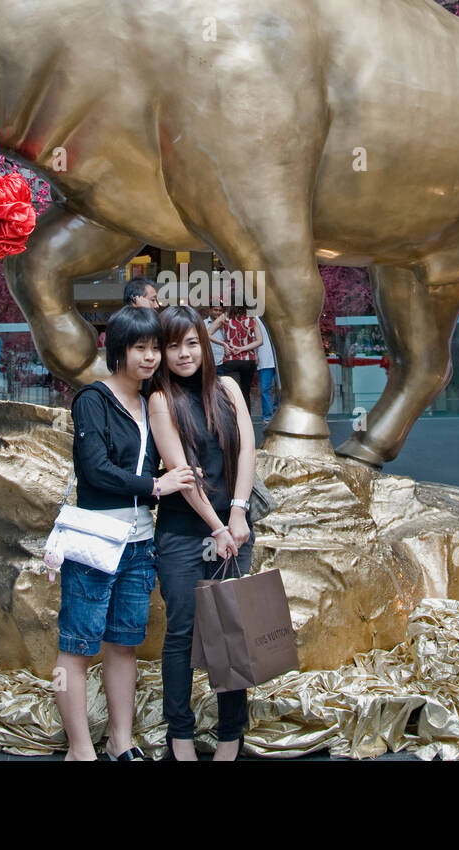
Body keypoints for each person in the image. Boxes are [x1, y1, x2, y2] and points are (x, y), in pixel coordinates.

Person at [55, 305, 196, 761]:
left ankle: (121, 742)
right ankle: (80, 749)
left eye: (156, 348)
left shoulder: (152, 400)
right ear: (118, 349)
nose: (151, 357)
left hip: (139, 543)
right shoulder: (93, 399)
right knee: (77, 648)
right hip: (96, 542)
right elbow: (94, 470)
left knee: (124, 645)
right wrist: (156, 485)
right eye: (141, 348)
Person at [149, 305, 257, 761]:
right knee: (182, 634)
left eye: (191, 342)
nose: (184, 353)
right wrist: (216, 528)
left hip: (234, 525)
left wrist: (237, 513)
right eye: (172, 345)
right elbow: (181, 471)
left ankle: (232, 738)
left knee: (232, 634)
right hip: (182, 532)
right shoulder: (160, 399)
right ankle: (181, 739)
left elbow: (249, 446)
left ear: (204, 342)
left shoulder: (229, 387)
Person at [215, 302, 261, 397]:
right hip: (248, 360)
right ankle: (246, 412)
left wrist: (224, 344)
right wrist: (242, 348)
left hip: (230, 359)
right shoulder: (251, 318)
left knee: (232, 393)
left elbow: (207, 333)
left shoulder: (225, 317)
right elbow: (260, 340)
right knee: (245, 393)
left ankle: (233, 411)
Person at [255, 318, 277, 422]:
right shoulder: (255, 318)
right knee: (265, 389)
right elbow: (253, 337)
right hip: (265, 359)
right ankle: (267, 416)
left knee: (283, 389)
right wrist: (255, 354)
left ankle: (277, 411)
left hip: (280, 359)